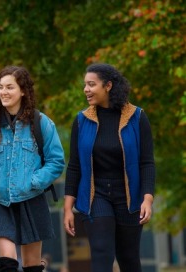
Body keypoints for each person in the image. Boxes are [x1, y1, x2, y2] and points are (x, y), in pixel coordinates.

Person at [0, 66, 65, 272]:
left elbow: (56, 161)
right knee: (8, 262)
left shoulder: (41, 123)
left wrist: (35, 182)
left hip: (32, 199)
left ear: (23, 91)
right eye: (1, 87)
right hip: (0, 201)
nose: (4, 92)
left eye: (10, 87)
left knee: (31, 265)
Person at [63, 63, 155, 272]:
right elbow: (75, 166)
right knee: (102, 252)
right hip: (97, 196)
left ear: (108, 86)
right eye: (85, 85)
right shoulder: (81, 121)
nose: (86, 89)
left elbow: (147, 163)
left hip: (129, 197)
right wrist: (68, 208)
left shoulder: (137, 118)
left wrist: (147, 199)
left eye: (91, 84)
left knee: (129, 258)